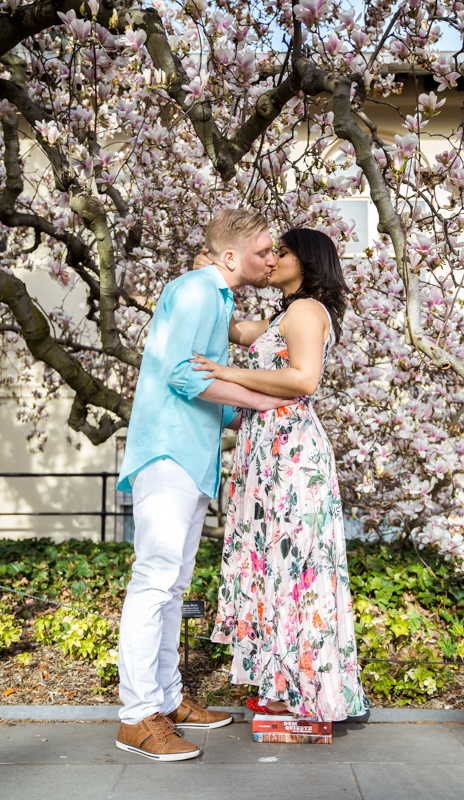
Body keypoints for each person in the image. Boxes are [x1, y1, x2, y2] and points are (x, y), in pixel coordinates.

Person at [115, 209, 297, 761]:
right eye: (263, 251)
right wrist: (261, 400)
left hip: (191, 457)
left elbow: (205, 387)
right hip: (169, 453)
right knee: (155, 579)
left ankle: (168, 699)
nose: (271, 259)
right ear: (230, 257)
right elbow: (182, 375)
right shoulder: (197, 289)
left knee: (172, 585)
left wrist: (248, 414)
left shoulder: (217, 298)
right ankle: (136, 716)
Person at [192, 228, 370, 722]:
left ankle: (301, 690)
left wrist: (226, 373)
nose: (271, 260)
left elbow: (303, 378)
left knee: (295, 567)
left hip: (291, 451)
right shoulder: (283, 316)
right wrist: (214, 274)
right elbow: (233, 330)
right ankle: (283, 687)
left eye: (282, 252)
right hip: (269, 448)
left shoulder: (307, 310)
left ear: (306, 262)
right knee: (276, 565)